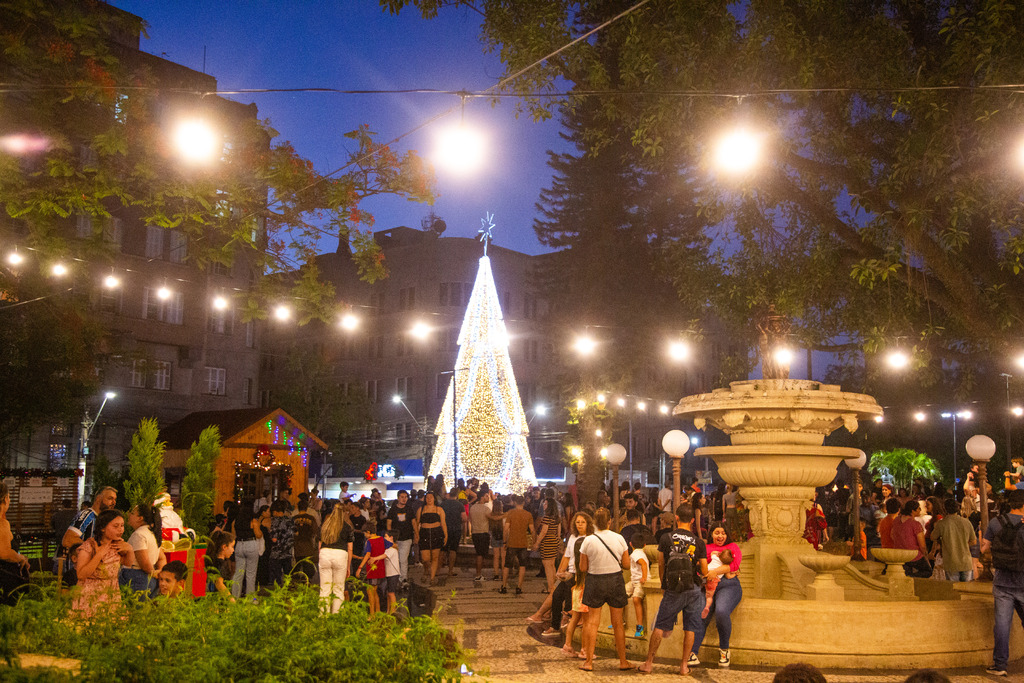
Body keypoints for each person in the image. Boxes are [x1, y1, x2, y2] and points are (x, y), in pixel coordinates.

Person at [637, 502, 708, 676]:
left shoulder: (666, 538)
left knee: (660, 625)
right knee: (690, 627)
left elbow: (661, 563)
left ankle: (648, 663)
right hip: (692, 588)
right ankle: (684, 666)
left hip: (673, 588)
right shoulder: (699, 542)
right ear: (692, 520)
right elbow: (705, 571)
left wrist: (664, 584)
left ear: (676, 518)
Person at [578, 507, 630, 672]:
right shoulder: (619, 538)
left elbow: (583, 567)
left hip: (595, 580)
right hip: (615, 580)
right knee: (618, 624)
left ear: (593, 522)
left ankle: (588, 662)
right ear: (610, 522)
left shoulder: (588, 540)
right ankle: (623, 661)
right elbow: (627, 565)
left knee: (593, 622)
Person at [981, 487, 1024, 676]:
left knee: (1002, 625)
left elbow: (983, 549)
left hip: (1002, 582)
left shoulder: (995, 522)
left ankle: (1000, 665)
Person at [692, 522, 743, 668]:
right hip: (707, 586)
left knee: (721, 611)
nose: (720, 536)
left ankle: (724, 650)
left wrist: (715, 571)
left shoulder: (733, 547)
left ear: (727, 535)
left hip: (729, 586)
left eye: (723, 533)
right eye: (716, 533)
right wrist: (710, 573)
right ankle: (693, 652)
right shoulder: (705, 548)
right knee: (701, 613)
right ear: (711, 534)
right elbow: (697, 567)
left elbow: (734, 566)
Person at [72, 508, 133, 618]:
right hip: (91, 594)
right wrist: (99, 555)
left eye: (122, 525)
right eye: (115, 526)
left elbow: (127, 563)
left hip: (111, 592)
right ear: (103, 528)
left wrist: (129, 549)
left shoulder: (118, 544)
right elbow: (81, 574)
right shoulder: (89, 546)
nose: (120, 530)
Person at [57, 485, 117, 585]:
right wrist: (94, 548)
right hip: (78, 573)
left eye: (115, 499)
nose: (113, 502)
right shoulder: (87, 515)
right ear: (98, 499)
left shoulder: (101, 519)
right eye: (110, 498)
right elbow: (68, 539)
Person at [929, 497, 976, 583]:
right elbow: (973, 541)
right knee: (967, 591)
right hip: (966, 562)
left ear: (945, 509)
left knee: (954, 591)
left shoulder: (942, 523)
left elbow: (932, 537)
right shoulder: (966, 522)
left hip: (951, 562)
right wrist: (963, 544)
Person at [318, 502, 353, 614]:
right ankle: (337, 617)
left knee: (324, 589)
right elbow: (350, 548)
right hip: (340, 554)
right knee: (338, 589)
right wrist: (348, 566)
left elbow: (319, 544)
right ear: (344, 513)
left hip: (324, 553)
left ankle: (323, 616)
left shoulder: (325, 525)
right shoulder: (347, 527)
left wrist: (321, 557)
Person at [124, 503, 166, 595]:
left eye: (132, 513)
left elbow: (144, 563)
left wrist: (153, 573)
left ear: (140, 518)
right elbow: (162, 558)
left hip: (137, 578)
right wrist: (159, 572)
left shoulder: (139, 535)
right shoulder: (151, 533)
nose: (128, 515)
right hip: (148, 579)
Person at [0, 481, 30, 605]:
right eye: (9, 496)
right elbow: (4, 553)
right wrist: (20, 558)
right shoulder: (2, 523)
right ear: (5, 499)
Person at [502, 494, 535, 596]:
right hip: (523, 543)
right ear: (524, 503)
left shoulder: (511, 513)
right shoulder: (528, 515)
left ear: (515, 502)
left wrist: (504, 541)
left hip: (512, 542)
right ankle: (519, 587)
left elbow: (506, 529)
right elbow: (532, 530)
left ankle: (503, 586)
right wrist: (534, 542)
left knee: (507, 565)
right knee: (522, 566)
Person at [891, 499, 931, 578]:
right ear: (913, 511)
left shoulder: (896, 520)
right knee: (928, 571)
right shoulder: (915, 524)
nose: (920, 510)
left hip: (899, 553)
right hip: (913, 554)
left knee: (905, 572)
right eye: (919, 508)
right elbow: (922, 545)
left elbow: (892, 535)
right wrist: (925, 555)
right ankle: (911, 577)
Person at [231, 505, 263, 599]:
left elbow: (234, 535)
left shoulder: (235, 521)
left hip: (239, 545)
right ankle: (251, 599)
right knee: (251, 574)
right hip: (251, 544)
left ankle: (234, 597)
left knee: (238, 573)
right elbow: (258, 535)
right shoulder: (253, 521)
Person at [415, 490, 447, 585]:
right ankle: (426, 570)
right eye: (427, 497)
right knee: (425, 558)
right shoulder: (421, 509)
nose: (429, 499)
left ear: (434, 499)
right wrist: (416, 535)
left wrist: (446, 535)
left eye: (431, 497)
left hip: (436, 533)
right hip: (424, 533)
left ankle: (432, 578)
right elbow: (417, 524)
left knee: (435, 557)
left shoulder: (439, 509)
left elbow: (443, 524)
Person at [386, 490, 416, 586]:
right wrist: (390, 537)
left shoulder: (409, 509)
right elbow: (389, 523)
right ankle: (395, 577)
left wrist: (416, 534)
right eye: (402, 497)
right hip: (395, 539)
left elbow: (414, 522)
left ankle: (403, 578)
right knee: (396, 558)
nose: (404, 499)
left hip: (407, 538)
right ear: (398, 498)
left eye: (406, 497)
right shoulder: (393, 510)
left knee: (403, 559)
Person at [533, 497, 562, 594]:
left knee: (547, 566)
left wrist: (537, 543)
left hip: (547, 542)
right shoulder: (556, 518)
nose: (543, 505)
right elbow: (558, 532)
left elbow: (544, 531)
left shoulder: (546, 518)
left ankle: (550, 588)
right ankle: (554, 586)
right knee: (552, 565)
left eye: (545, 504)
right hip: (554, 541)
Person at [627, 530, 652, 638]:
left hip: (639, 582)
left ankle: (640, 626)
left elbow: (643, 564)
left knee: (636, 599)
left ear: (630, 544)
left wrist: (644, 577)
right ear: (645, 545)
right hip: (634, 581)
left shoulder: (636, 553)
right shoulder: (639, 552)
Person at [440, 487, 466, 578]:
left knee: (443, 550)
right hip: (456, 529)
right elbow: (464, 518)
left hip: (444, 529)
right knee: (453, 550)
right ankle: (450, 570)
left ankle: (438, 569)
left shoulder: (443, 504)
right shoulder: (460, 505)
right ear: (457, 495)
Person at [268, 500, 295, 586]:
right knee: (288, 575)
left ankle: (278, 591)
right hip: (287, 551)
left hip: (276, 552)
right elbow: (295, 532)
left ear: (275, 512)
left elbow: (274, 538)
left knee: (277, 577)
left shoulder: (274, 521)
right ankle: (287, 591)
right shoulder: (289, 520)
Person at [468, 490, 492, 581]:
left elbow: (470, 519)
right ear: (482, 497)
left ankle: (479, 574)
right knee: (480, 555)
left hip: (475, 533)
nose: (488, 497)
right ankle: (478, 575)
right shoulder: (486, 509)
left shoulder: (473, 507)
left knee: (479, 554)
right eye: (486, 496)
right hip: (483, 533)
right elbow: (492, 517)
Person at [204, 529, 235, 597]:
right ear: (224, 547)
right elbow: (219, 583)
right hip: (219, 599)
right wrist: (230, 599)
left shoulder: (211, 560)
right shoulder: (221, 564)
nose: (233, 550)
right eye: (232, 547)